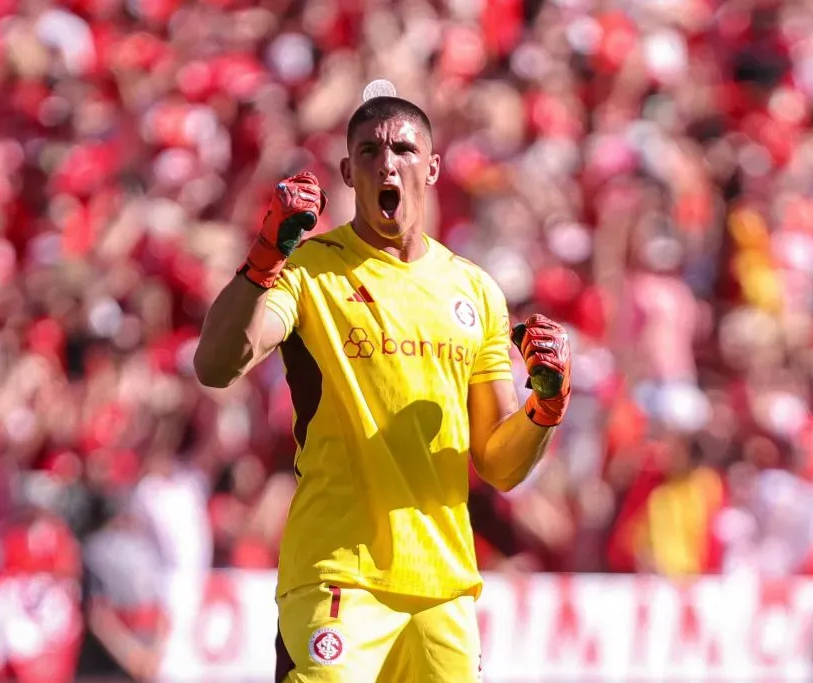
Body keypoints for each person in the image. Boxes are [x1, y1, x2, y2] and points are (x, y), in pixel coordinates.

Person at [193, 91, 572, 682]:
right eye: (368, 150)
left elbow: (497, 463)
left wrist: (544, 410)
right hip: (338, 576)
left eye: (403, 148)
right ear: (348, 172)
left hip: (444, 589)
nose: (386, 162)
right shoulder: (309, 270)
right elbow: (216, 365)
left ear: (433, 167)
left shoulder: (475, 291)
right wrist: (265, 257)